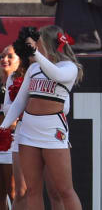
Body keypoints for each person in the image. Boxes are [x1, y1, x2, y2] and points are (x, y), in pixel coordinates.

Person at [0, 25, 83, 210]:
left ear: (50, 44)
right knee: (33, 191)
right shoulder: (34, 68)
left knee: (64, 190)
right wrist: (3, 127)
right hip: (28, 130)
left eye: (39, 42)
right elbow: (20, 101)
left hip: (53, 131)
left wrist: (36, 54)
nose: (36, 45)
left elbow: (56, 74)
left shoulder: (69, 67)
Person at [0, 45, 18, 210]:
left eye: (10, 56)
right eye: (2, 56)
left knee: (15, 191)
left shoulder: (21, 82)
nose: (4, 60)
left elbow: (17, 118)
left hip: (12, 141)